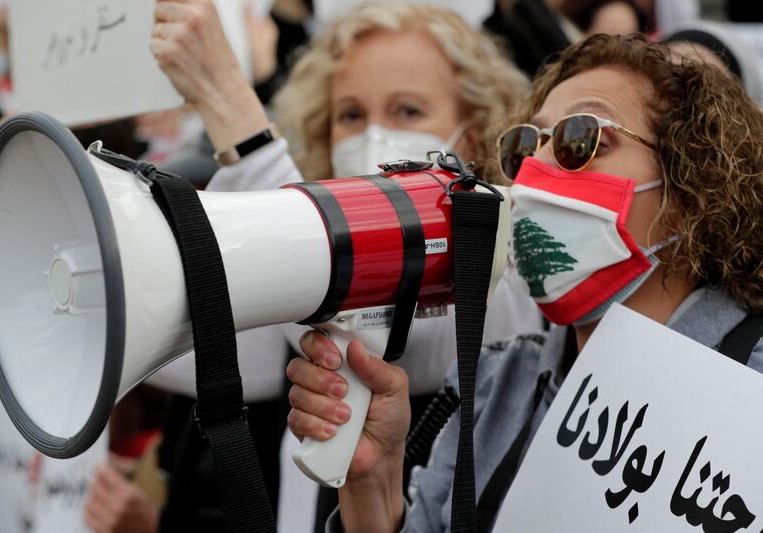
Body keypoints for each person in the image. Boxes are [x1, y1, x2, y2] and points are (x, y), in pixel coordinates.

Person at [288, 33, 763, 531]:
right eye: (523, 149)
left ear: (693, 185)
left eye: (579, 140)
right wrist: (374, 485)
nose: (535, 171)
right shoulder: (497, 384)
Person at [150, 1, 541, 530]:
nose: (374, 136)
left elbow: (423, 339)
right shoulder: (298, 330)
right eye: (351, 115)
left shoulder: (511, 264)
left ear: (472, 132)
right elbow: (192, 340)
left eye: (407, 111)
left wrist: (232, 112)